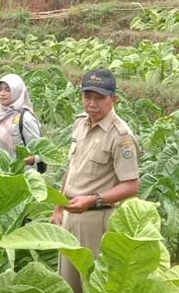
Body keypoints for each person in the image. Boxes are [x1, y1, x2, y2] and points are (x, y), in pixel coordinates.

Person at [50, 69, 140, 293]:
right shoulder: (80, 124)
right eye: (87, 96)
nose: (91, 103)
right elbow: (72, 169)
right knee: (68, 284)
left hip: (96, 219)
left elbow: (131, 185)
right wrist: (59, 208)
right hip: (70, 217)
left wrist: (93, 199)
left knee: (91, 283)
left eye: (99, 98)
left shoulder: (121, 136)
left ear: (113, 99)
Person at [0, 73, 43, 168]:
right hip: (0, 172)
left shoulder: (25, 118)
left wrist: (24, 161)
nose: (2, 94)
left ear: (17, 91)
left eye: (7, 90)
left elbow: (40, 152)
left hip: (22, 175)